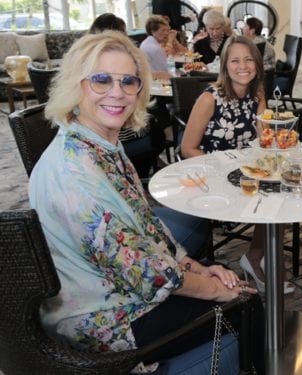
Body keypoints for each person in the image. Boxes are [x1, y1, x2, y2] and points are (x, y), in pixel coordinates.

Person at [29, 31, 265, 374]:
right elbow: (148, 275)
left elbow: (147, 225)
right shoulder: (76, 173)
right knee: (246, 301)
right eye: (100, 80)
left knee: (229, 283)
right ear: (75, 86)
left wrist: (195, 267)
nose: (117, 92)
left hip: (118, 288)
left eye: (128, 81)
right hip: (99, 319)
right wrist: (214, 290)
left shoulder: (100, 144)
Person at [180, 35, 295, 295]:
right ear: (225, 65)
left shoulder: (257, 95)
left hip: (244, 172)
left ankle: (257, 255)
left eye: (248, 60)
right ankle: (258, 259)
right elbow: (187, 148)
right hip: (212, 175)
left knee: (282, 190)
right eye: (235, 60)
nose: (242, 66)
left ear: (257, 64)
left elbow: (263, 140)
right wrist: (223, 167)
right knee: (269, 197)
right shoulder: (210, 99)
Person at [88, 13, 167, 180]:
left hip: (103, 139)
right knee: (155, 127)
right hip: (121, 140)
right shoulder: (120, 58)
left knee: (152, 120)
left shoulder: (89, 61)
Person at [139, 15, 174, 79]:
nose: (166, 33)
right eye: (163, 30)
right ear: (153, 32)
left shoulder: (145, 43)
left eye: (167, 30)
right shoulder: (155, 48)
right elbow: (165, 70)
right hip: (157, 81)